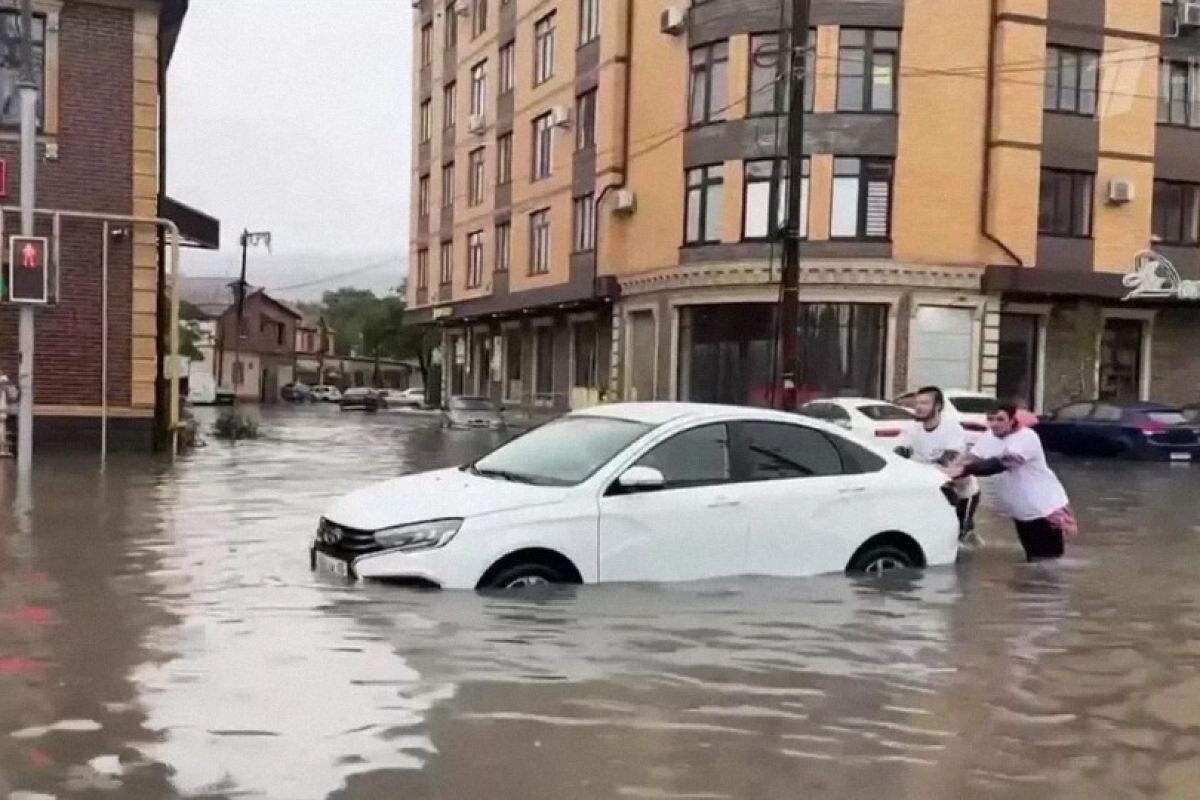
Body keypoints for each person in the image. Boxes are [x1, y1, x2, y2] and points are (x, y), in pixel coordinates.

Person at [945, 402, 1075, 561]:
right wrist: (949, 471)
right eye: (990, 419)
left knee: (1049, 562)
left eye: (1000, 419)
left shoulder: (1027, 437)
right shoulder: (988, 437)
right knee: (1034, 561)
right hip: (1021, 510)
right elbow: (972, 458)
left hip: (1045, 508)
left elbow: (1003, 463)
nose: (994, 424)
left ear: (1012, 420)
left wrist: (965, 470)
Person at [894, 386, 981, 544]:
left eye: (925, 403)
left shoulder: (952, 429)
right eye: (917, 403)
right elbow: (898, 453)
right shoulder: (912, 428)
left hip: (959, 492)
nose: (919, 407)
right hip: (927, 487)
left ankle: (967, 534)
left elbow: (948, 462)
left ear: (938, 406)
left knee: (959, 537)